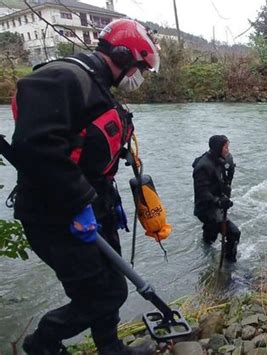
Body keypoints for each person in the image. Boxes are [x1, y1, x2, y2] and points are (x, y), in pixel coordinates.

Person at [11, 19, 160, 354]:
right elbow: (36, 148)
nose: (142, 77)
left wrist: (98, 203)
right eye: (142, 69)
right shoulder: (60, 79)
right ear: (124, 56)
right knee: (100, 294)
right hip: (55, 215)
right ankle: (42, 344)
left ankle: (110, 348)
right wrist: (79, 203)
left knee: (113, 286)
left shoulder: (98, 84)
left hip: (94, 206)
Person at [192, 135, 240, 262]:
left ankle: (206, 250)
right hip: (206, 209)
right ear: (218, 148)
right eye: (225, 147)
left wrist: (230, 174)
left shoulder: (222, 159)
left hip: (217, 206)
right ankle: (229, 267)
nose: (228, 150)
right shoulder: (203, 167)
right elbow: (202, 193)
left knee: (210, 236)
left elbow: (225, 181)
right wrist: (218, 201)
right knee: (234, 233)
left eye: (228, 147)